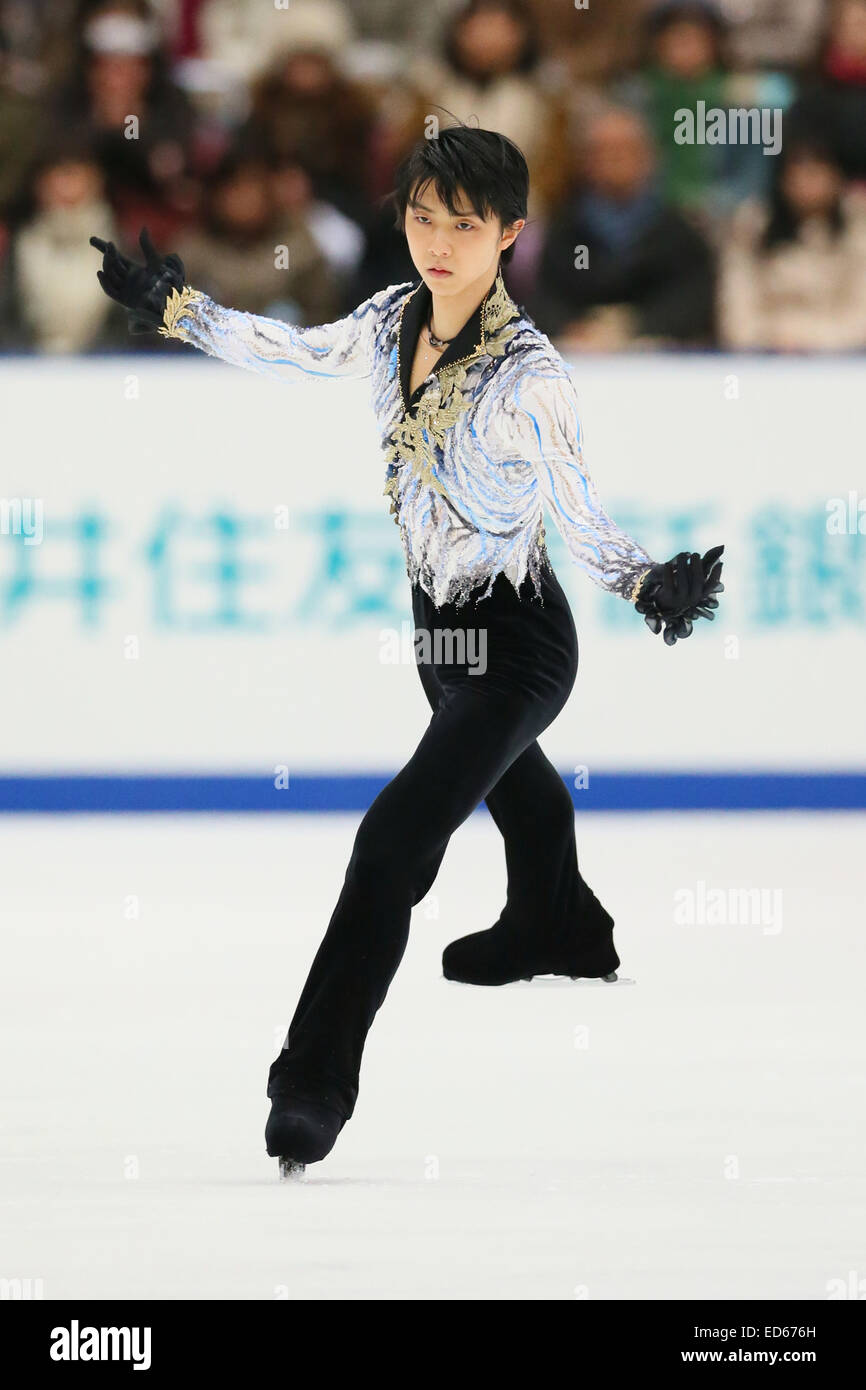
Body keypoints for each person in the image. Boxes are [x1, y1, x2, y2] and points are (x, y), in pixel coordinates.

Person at [90, 124, 724, 1175]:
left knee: (393, 840)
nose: (436, 240)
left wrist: (646, 580)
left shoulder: (533, 379)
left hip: (518, 642)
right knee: (510, 784)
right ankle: (557, 921)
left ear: (511, 235)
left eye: (462, 223)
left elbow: (579, 515)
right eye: (421, 216)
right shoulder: (389, 319)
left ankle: (312, 1084)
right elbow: (295, 352)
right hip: (437, 634)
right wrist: (174, 309)